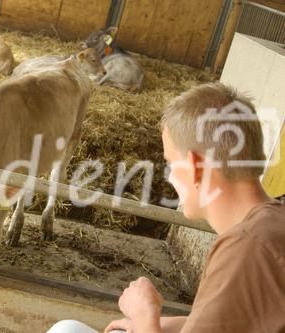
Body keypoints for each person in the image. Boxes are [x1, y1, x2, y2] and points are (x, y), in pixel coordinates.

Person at [46, 82, 285, 333]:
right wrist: (167, 324)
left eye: (171, 162)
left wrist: (145, 314)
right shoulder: (272, 221)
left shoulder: (248, 248)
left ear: (197, 168)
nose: (169, 177)